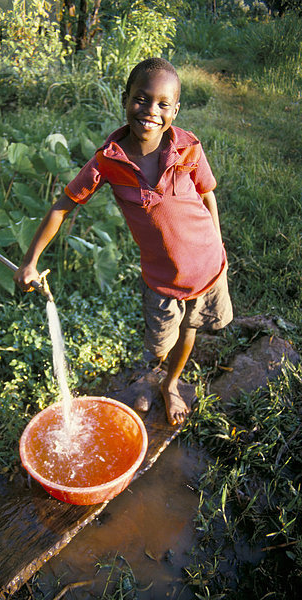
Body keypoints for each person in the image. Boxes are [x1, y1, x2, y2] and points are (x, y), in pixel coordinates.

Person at [14, 57, 233, 426]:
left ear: (175, 110)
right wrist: (30, 261)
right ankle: (152, 377)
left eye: (163, 104)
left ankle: (172, 385)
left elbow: (208, 195)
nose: (150, 111)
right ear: (125, 98)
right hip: (162, 281)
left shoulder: (188, 148)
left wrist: (218, 242)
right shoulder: (107, 163)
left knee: (190, 332)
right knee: (159, 343)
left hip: (208, 269)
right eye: (141, 99)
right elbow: (62, 205)